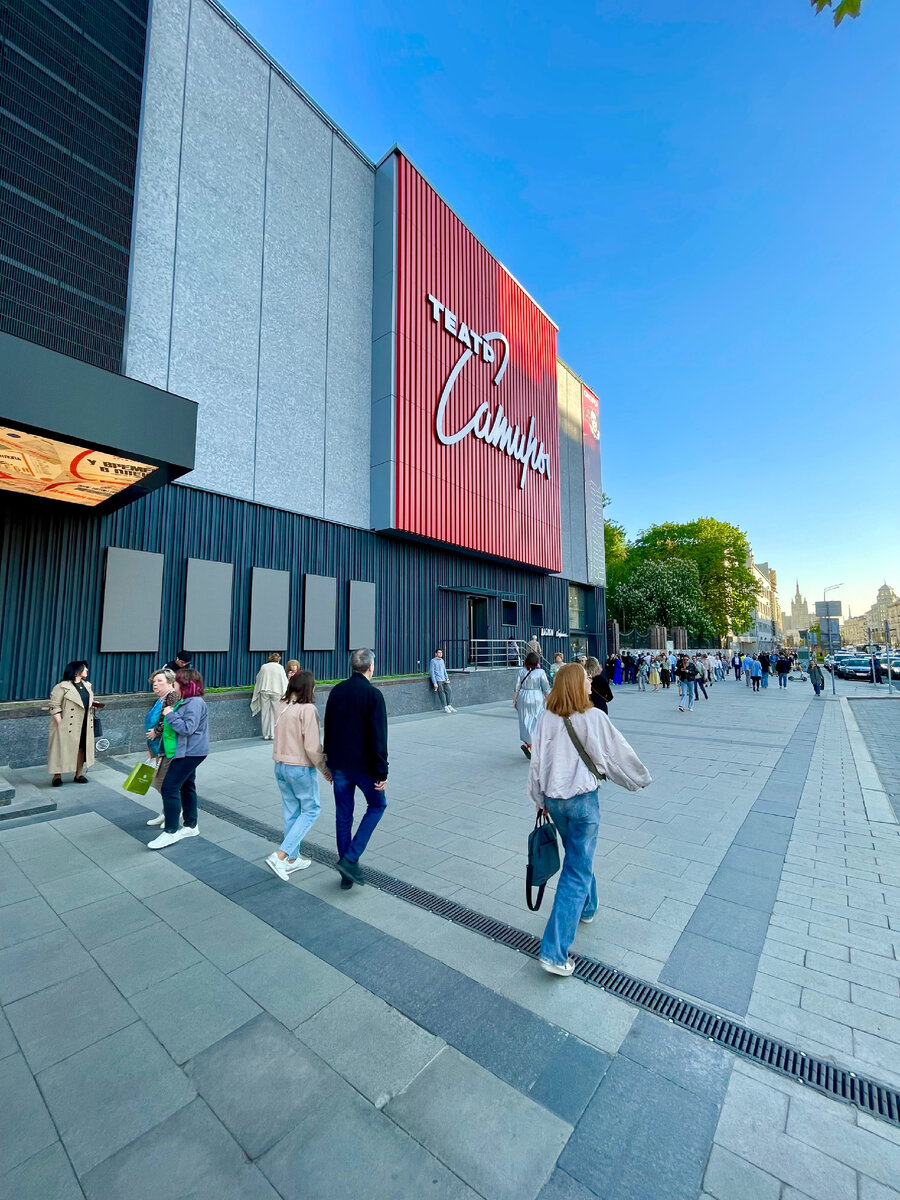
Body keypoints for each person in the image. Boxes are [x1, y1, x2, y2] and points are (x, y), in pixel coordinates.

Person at [528, 662, 651, 976]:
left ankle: (588, 906)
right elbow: (618, 755)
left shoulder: (545, 718)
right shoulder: (594, 718)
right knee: (576, 870)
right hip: (582, 803)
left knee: (578, 857)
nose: (589, 684)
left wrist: (539, 799)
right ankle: (554, 952)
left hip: (555, 802)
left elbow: (536, 763)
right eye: (585, 679)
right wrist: (639, 780)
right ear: (575, 685)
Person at [324, 648, 388, 888]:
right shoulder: (373, 695)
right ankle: (350, 859)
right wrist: (382, 771)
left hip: (339, 765)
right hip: (365, 767)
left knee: (343, 816)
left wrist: (328, 761)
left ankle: (346, 875)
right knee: (378, 805)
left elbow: (329, 727)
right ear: (371, 667)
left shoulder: (337, 691)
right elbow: (379, 736)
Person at [265, 670, 331, 881]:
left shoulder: (282, 705)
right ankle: (281, 855)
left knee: (291, 812)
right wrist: (325, 768)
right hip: (300, 767)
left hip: (280, 765)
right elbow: (312, 746)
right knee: (312, 810)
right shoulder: (308, 709)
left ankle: (292, 859)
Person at [148, 669, 209, 849]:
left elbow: (188, 728)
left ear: (185, 684)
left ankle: (171, 831)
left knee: (169, 788)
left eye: (175, 683)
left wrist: (170, 714)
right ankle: (191, 826)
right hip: (187, 751)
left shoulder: (194, 703)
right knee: (186, 786)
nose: (173, 686)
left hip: (191, 752)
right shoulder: (188, 701)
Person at [47, 660, 95, 786]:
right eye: (84, 668)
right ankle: (57, 776)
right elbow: (54, 706)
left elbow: (85, 701)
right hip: (67, 724)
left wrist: (92, 705)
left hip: (84, 722)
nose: (87, 670)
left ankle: (79, 774)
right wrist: (61, 723)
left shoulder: (87, 685)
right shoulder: (61, 686)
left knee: (81, 748)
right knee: (61, 749)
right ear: (76, 671)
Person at [145, 667, 178, 828]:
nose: (155, 684)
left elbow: (169, 720)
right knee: (160, 782)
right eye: (154, 681)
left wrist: (156, 732)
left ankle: (173, 812)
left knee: (163, 782)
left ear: (170, 683)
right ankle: (167, 812)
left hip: (167, 748)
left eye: (160, 681)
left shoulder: (172, 696)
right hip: (158, 747)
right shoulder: (161, 698)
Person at [514, 651, 551, 758]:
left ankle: (528, 743)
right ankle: (532, 744)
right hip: (537, 697)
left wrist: (514, 700)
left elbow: (517, 687)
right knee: (537, 721)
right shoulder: (541, 672)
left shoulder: (521, 671)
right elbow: (546, 688)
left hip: (523, 697)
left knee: (525, 721)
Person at [250, 653, 289, 740]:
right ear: (278, 660)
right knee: (275, 712)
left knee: (265, 712)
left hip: (264, 690)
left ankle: (265, 734)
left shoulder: (264, 667)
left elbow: (258, 678)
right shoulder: (280, 667)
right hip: (276, 691)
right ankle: (273, 734)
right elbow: (284, 680)